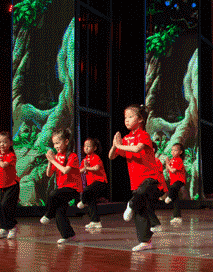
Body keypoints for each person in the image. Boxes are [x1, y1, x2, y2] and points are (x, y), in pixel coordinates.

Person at [110, 104, 164, 251]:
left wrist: (119, 146)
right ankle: (145, 241)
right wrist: (115, 145)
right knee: (141, 211)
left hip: (150, 177)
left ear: (140, 119)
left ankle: (130, 204)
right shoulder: (126, 139)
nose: (126, 120)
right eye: (125, 117)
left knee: (140, 194)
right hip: (135, 181)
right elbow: (111, 156)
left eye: (130, 117)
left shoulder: (143, 135)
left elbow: (137, 148)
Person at [41, 128, 82, 244]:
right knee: (59, 212)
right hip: (62, 188)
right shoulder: (57, 156)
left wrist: (53, 160)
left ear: (66, 142)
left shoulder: (72, 156)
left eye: (58, 143)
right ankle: (68, 235)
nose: (56, 146)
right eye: (54, 144)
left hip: (73, 188)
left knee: (53, 194)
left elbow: (65, 170)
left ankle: (48, 215)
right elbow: (49, 174)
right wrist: (50, 161)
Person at [77, 138, 108, 229]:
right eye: (85, 146)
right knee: (91, 201)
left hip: (100, 182)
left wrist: (87, 168)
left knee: (86, 190)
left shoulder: (95, 157)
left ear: (94, 148)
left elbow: (96, 168)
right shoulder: (85, 160)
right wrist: (83, 168)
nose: (86, 148)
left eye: (88, 146)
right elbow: (80, 171)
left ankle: (83, 201)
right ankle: (95, 221)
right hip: (91, 184)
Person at [164, 143, 187, 225]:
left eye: (175, 150)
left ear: (180, 152)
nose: (173, 152)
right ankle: (177, 217)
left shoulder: (179, 160)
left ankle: (169, 196)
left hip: (179, 180)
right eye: (172, 150)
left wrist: (167, 164)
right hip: (173, 181)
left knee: (173, 188)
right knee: (176, 200)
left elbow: (173, 170)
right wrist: (167, 163)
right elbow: (168, 170)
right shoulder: (172, 160)